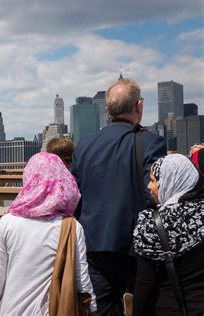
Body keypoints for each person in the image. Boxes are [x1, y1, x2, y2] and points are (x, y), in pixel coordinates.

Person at [71, 78, 167, 315]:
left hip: (93, 245)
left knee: (103, 309)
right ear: (139, 106)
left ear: (106, 110)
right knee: (145, 306)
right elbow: (155, 193)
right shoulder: (151, 143)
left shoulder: (84, 145)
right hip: (135, 245)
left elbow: (74, 193)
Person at [0, 152, 97, 316]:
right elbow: (82, 279)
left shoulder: (7, 222)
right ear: (62, 181)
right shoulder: (72, 227)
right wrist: (92, 309)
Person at [133, 154, 204, 315]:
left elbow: (145, 283)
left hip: (171, 308)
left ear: (172, 181)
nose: (149, 186)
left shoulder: (151, 223)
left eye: (153, 180)